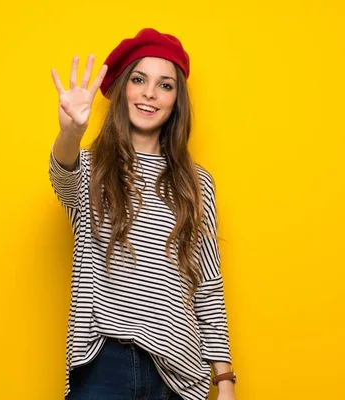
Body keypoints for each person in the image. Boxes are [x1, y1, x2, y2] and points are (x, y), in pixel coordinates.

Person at [49, 28, 236, 400]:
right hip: (104, 364)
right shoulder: (91, 168)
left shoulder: (197, 183)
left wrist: (226, 381)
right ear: (123, 90)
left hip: (179, 374)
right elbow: (62, 173)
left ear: (175, 102)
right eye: (139, 80)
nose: (150, 93)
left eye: (165, 85)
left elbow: (208, 285)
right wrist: (70, 132)